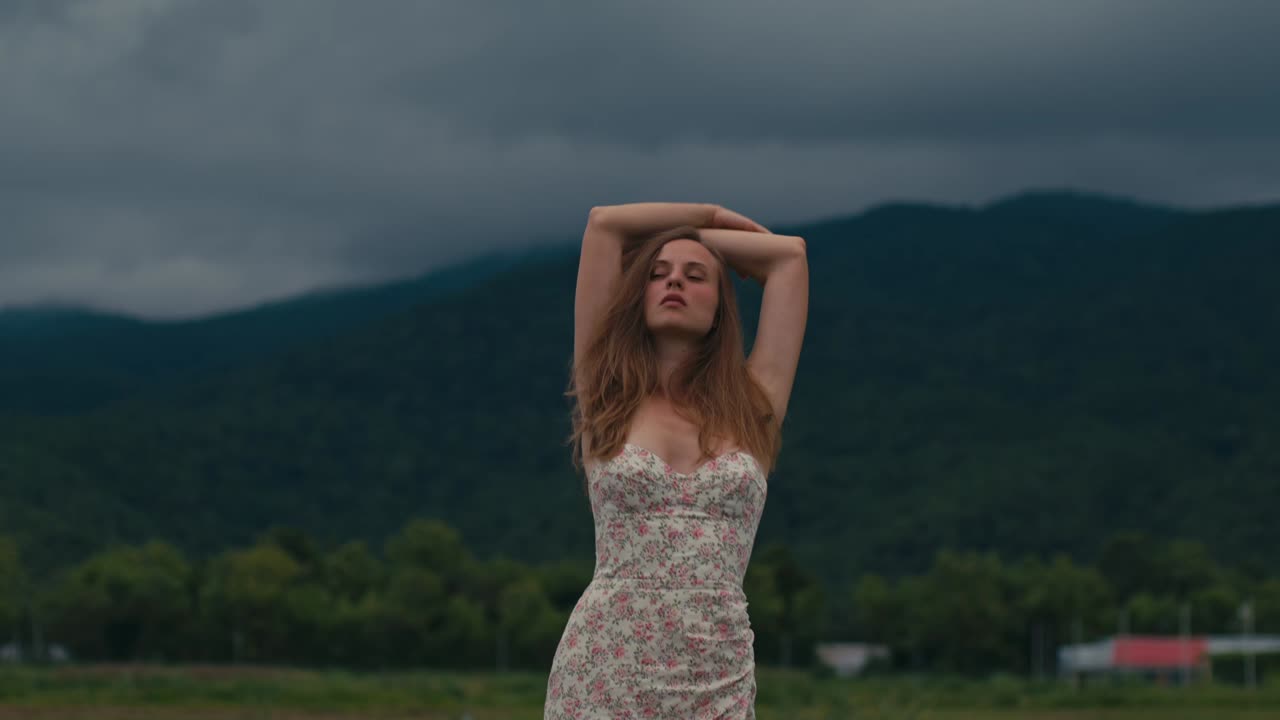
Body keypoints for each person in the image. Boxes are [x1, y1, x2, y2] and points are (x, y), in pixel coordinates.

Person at [544, 202, 808, 719]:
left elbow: (788, 258)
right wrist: (706, 217)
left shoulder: (753, 407)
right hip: (604, 668)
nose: (674, 283)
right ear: (638, 292)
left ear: (720, 306)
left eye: (696, 276)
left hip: (717, 670)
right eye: (658, 274)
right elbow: (604, 225)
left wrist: (712, 242)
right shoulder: (608, 393)